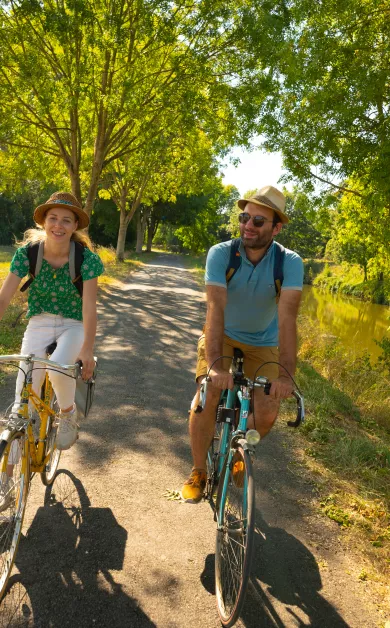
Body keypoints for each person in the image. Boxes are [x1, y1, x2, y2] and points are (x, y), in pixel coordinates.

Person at [181, 185, 304, 502]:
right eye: (244, 217)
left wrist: (286, 375)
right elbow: (215, 308)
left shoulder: (288, 262)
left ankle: (239, 449)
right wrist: (214, 366)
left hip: (264, 343)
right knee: (207, 396)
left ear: (276, 228)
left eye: (258, 221)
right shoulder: (221, 254)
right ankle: (199, 470)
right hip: (221, 335)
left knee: (266, 412)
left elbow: (288, 317)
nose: (248, 225)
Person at [0, 191, 104, 453]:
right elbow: (3, 298)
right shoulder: (28, 254)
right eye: (53, 218)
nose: (59, 225)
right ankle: (7, 483)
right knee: (21, 401)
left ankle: (67, 414)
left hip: (74, 324)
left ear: (75, 226)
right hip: (39, 322)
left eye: (66, 220)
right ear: (43, 223)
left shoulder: (86, 260)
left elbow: (89, 307)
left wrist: (87, 349)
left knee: (58, 367)